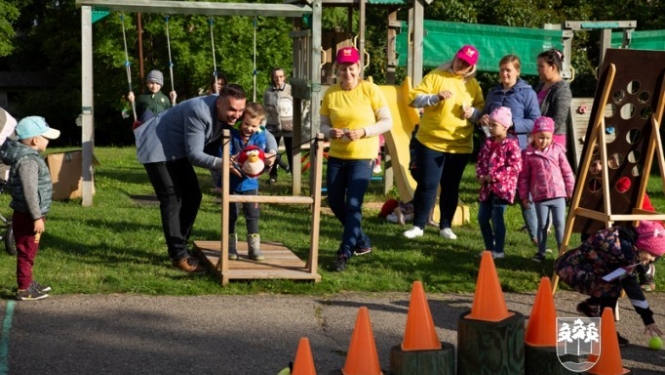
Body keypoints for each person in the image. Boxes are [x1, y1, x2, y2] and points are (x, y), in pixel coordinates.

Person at [134, 84, 277, 273]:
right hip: (157, 147)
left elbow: (264, 131)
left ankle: (180, 248)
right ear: (219, 103)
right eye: (232, 110)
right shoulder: (199, 112)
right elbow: (195, 155)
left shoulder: (237, 109)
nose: (237, 115)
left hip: (177, 150)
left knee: (193, 196)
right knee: (172, 198)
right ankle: (178, 256)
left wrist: (272, 152)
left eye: (241, 110)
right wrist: (223, 162)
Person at [320, 46, 393, 272]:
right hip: (337, 156)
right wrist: (328, 132)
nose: (347, 73)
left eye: (351, 68)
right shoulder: (330, 93)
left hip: (363, 156)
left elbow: (387, 122)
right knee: (334, 201)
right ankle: (362, 241)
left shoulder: (371, 90)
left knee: (353, 205)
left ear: (359, 67)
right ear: (337, 70)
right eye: (343, 69)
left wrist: (363, 132)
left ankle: (344, 251)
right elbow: (321, 124)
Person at [403, 44, 485, 240]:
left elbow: (482, 110)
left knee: (451, 186)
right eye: (460, 59)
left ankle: (445, 226)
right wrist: (435, 98)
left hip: (459, 145)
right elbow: (414, 99)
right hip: (430, 141)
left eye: (467, 64)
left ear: (471, 67)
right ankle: (418, 226)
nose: (461, 64)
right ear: (455, 56)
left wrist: (472, 113)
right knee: (427, 184)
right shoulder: (436, 76)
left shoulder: (472, 85)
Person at [555, 220, 665, 346]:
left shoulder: (627, 240)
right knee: (612, 288)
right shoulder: (621, 251)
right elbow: (632, 288)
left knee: (614, 282)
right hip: (573, 269)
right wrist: (648, 319)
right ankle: (607, 331)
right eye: (651, 256)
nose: (650, 261)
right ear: (642, 245)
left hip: (586, 267)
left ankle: (592, 306)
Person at [480, 55, 541, 246]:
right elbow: (486, 114)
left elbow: (535, 121)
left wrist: (513, 124)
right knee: (498, 194)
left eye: (508, 70)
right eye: (502, 70)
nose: (504, 74)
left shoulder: (526, 93)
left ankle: (537, 239)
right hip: (495, 153)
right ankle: (497, 241)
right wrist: (483, 119)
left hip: (519, 150)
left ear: (517, 71)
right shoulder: (493, 93)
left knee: (524, 195)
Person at [0, 116, 60, 300]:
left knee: (29, 250)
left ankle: (28, 281)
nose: (48, 141)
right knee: (26, 252)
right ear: (35, 140)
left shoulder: (29, 157)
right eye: (46, 137)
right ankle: (24, 288)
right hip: (29, 215)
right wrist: (36, 217)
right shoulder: (28, 162)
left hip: (28, 214)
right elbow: (30, 192)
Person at [216, 103, 275, 261]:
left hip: (251, 184)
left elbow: (260, 156)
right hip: (232, 182)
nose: (249, 128)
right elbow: (223, 154)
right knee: (231, 214)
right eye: (247, 124)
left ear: (259, 125)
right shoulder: (231, 135)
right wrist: (231, 159)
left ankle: (254, 247)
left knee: (252, 214)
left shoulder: (260, 137)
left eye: (253, 126)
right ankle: (230, 246)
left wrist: (267, 160)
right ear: (241, 120)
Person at [519, 117, 574, 262]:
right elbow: (524, 177)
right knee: (542, 224)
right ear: (534, 136)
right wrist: (524, 196)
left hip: (559, 195)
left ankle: (563, 253)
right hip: (540, 197)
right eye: (541, 137)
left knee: (559, 223)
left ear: (552, 137)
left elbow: (567, 172)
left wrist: (571, 191)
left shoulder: (557, 151)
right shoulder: (528, 154)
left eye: (548, 138)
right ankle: (541, 252)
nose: (544, 141)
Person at [476, 107, 522, 259]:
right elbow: (481, 162)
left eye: (494, 124)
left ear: (505, 126)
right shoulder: (488, 143)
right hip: (487, 188)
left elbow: (515, 166)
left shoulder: (511, 144)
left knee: (497, 218)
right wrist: (481, 176)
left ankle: (499, 250)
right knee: (482, 218)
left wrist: (494, 176)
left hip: (502, 189)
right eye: (490, 124)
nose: (490, 127)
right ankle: (489, 249)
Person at [534, 49, 572, 149]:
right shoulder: (540, 86)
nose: (538, 69)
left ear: (553, 67)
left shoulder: (562, 89)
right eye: (538, 66)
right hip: (537, 140)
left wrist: (542, 135)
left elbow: (559, 119)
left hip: (552, 142)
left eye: (541, 66)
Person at [263, 67, 293, 184]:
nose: (278, 79)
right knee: (272, 151)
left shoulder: (291, 90)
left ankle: (295, 176)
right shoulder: (268, 92)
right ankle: (273, 176)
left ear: (284, 77)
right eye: (276, 77)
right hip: (273, 126)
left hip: (289, 126)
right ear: (273, 78)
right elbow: (265, 109)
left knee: (291, 152)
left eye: (280, 76)